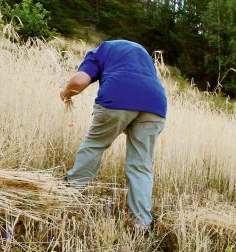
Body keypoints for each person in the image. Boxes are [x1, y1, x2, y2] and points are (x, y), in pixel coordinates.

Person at [61, 40, 167, 229]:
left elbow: (79, 81)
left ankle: (69, 194)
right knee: (141, 165)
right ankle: (142, 223)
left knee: (95, 145)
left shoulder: (100, 50)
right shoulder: (143, 54)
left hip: (117, 97)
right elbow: (144, 84)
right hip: (155, 105)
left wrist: (65, 94)